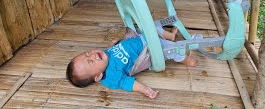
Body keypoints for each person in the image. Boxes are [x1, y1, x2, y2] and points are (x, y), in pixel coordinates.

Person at [66, 25, 198, 99]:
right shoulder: (111, 77)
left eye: (87, 53)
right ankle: (185, 59)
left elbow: (113, 49)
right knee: (171, 49)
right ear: (98, 76)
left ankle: (170, 35)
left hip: (140, 38)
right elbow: (128, 83)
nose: (93, 55)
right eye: (90, 62)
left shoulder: (103, 56)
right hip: (148, 50)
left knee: (153, 25)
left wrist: (113, 44)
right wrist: (145, 90)